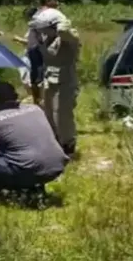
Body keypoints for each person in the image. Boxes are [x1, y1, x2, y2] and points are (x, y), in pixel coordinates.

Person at [0, 82, 69, 193]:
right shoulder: (36, 109)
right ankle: (33, 186)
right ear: (16, 97)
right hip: (57, 165)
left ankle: (3, 190)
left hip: (29, 169)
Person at [29, 8, 80, 156]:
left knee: (62, 115)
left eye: (45, 29)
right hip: (49, 80)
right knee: (49, 114)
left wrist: (61, 25)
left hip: (65, 81)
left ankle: (68, 146)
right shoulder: (45, 38)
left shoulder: (69, 37)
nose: (43, 32)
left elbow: (67, 34)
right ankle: (55, 144)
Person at [14, 7, 44, 103]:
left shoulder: (35, 27)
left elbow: (33, 43)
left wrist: (18, 39)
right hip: (31, 53)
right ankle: (35, 97)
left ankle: (35, 97)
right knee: (30, 77)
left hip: (34, 54)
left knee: (31, 78)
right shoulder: (37, 26)